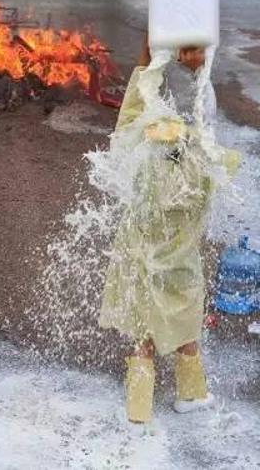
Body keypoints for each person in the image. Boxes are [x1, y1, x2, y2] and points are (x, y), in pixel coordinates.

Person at [99, 36, 240, 424]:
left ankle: (139, 405)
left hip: (145, 242)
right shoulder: (199, 167)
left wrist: (150, 52)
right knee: (184, 306)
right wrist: (196, 66)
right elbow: (204, 121)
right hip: (181, 249)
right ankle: (191, 392)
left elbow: (131, 111)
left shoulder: (141, 155)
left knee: (146, 310)